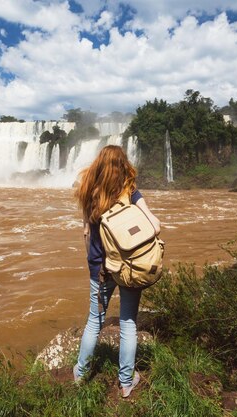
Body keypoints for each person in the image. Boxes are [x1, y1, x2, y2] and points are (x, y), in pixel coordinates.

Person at [72, 145, 161, 398]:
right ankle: (125, 383)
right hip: (129, 267)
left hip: (99, 268)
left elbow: (86, 233)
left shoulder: (89, 193)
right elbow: (155, 225)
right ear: (124, 166)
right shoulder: (130, 192)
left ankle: (80, 373)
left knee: (94, 321)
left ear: (99, 164)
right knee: (128, 322)